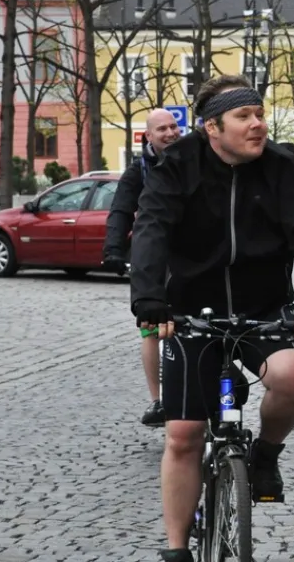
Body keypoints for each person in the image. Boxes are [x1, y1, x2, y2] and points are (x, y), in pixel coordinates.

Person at [129, 74, 294, 562]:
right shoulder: (177, 166)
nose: (258, 124)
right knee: (183, 434)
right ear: (211, 128)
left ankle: (264, 455)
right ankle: (178, 549)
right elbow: (152, 230)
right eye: (244, 116)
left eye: (260, 114)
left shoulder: (284, 168)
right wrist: (149, 299)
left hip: (264, 308)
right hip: (189, 312)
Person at [102, 109, 182, 427]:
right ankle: (159, 400)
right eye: (161, 128)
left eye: (174, 126)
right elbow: (121, 209)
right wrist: (112, 249)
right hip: (153, 258)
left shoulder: (195, 160)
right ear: (147, 136)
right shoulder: (139, 171)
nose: (170, 132)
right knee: (151, 328)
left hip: (194, 254)